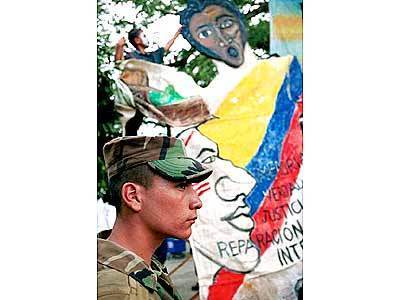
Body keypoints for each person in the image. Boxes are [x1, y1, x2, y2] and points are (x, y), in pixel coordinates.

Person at [98, 136, 213, 300]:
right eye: (181, 186)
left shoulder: (144, 266)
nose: (197, 202)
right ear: (133, 196)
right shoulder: (121, 292)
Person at [115, 26, 182, 63]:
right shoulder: (132, 56)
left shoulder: (155, 55)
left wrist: (177, 34)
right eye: (144, 36)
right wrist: (119, 47)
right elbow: (119, 63)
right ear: (137, 40)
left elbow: (167, 46)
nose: (147, 39)